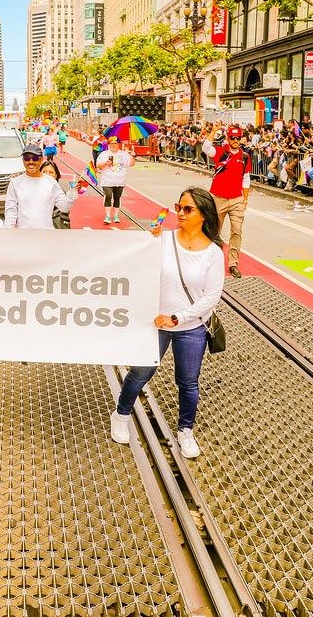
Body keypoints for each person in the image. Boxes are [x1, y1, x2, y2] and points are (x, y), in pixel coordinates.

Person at [110, 187, 224, 459]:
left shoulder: (213, 253)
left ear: (203, 215)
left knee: (188, 382)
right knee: (140, 373)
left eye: (188, 209)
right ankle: (121, 414)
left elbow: (212, 297)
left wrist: (178, 317)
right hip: (155, 322)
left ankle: (186, 430)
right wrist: (147, 242)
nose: (180, 213)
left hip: (190, 327)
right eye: (179, 207)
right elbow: (136, 264)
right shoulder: (162, 239)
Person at [202, 123, 251, 278]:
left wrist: (245, 199)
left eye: (237, 138)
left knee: (237, 231)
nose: (235, 140)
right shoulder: (220, 152)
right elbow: (205, 148)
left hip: (237, 199)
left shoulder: (245, 156)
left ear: (241, 138)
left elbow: (246, 178)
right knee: (215, 232)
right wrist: (214, 130)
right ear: (228, 138)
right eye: (232, 137)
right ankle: (211, 263)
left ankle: (233, 264)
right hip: (218, 198)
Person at [4, 144, 83, 228]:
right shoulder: (15, 183)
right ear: (23, 160)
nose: (31, 162)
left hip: (46, 235)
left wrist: (73, 191)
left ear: (41, 159)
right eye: (27, 158)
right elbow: (11, 211)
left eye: (35, 158)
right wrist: (7, 232)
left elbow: (64, 207)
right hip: (23, 234)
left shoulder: (51, 182)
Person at [96, 135, 135, 224]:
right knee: (108, 196)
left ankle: (116, 215)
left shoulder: (124, 154)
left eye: (115, 143)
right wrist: (105, 163)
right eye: (111, 144)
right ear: (109, 145)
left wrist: (133, 156)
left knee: (117, 198)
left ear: (119, 144)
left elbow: (131, 164)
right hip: (107, 180)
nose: (113, 145)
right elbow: (98, 165)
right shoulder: (104, 154)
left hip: (120, 181)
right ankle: (108, 216)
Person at [40, 160, 71, 229]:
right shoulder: (34, 189)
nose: (47, 175)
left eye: (51, 172)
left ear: (56, 175)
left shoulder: (60, 192)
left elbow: (64, 210)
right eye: (44, 172)